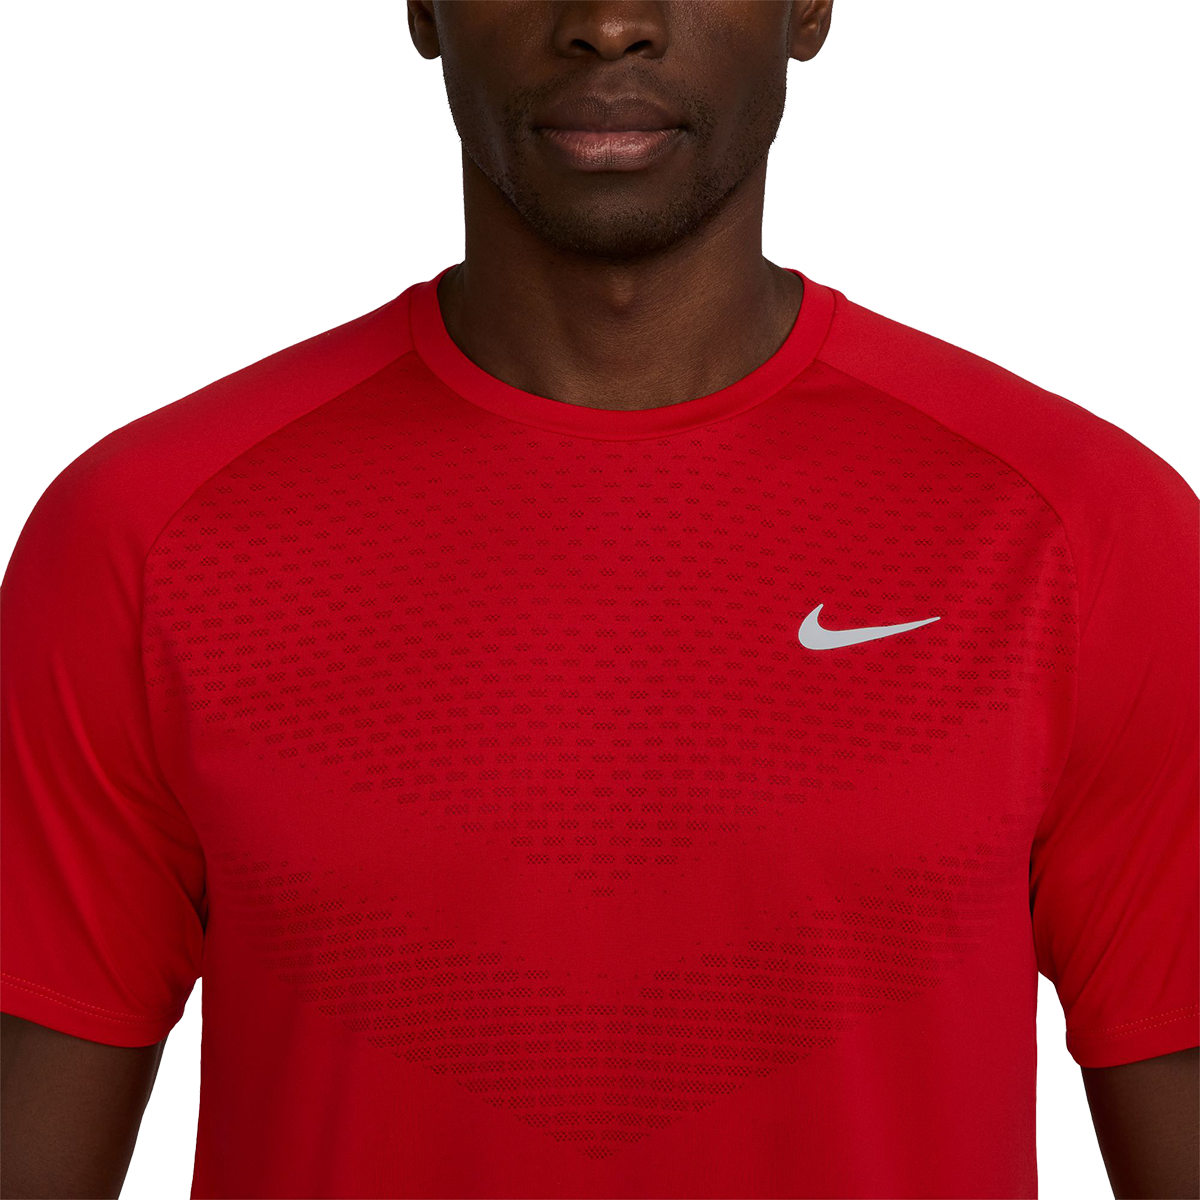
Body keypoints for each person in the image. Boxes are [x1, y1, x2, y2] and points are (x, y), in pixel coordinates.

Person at [2, 2, 1197, 1197]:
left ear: (809, 8)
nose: (610, 21)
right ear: (423, 9)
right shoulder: (146, 534)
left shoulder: (1081, 531)